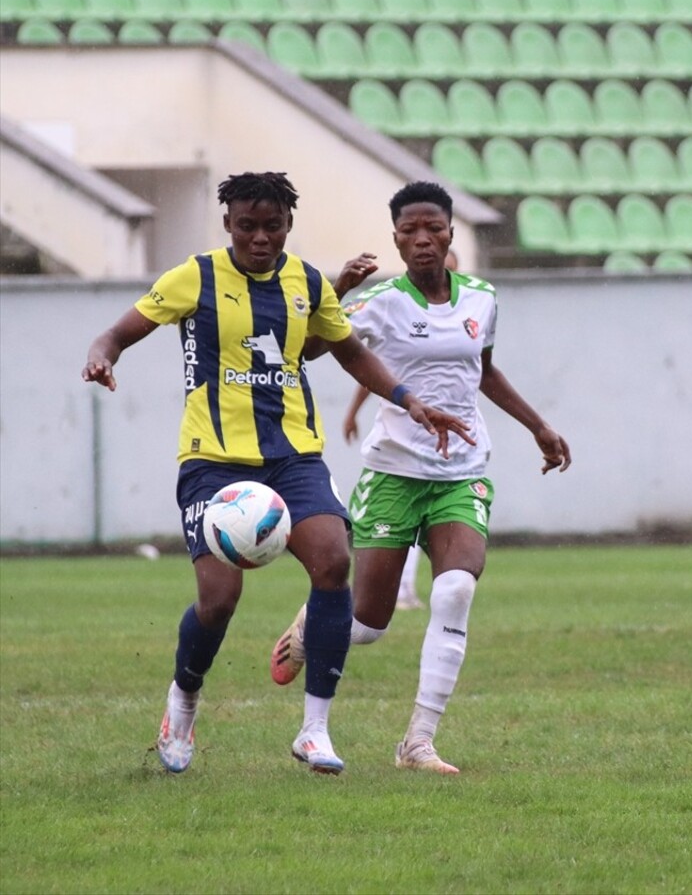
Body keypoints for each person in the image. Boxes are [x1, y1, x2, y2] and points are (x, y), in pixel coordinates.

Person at [82, 172, 473, 777]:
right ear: (228, 225)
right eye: (247, 227)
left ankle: (314, 729)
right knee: (219, 599)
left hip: (293, 456)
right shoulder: (197, 275)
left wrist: (408, 398)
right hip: (213, 459)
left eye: (271, 226)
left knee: (333, 562)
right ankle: (182, 702)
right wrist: (102, 355)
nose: (259, 238)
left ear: (288, 226)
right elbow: (121, 330)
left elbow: (350, 352)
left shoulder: (309, 282)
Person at [269, 180, 571, 774]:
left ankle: (418, 742)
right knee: (368, 625)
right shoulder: (379, 302)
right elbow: (303, 351)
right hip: (393, 473)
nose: (422, 239)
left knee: (456, 589)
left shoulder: (481, 297)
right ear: (396, 240)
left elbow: (483, 372)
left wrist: (538, 426)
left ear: (451, 232)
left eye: (433, 228)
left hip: (463, 471)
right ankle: (311, 628)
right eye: (409, 231)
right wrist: (337, 288)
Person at [340, 248, 460, 612]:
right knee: (366, 616)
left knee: (438, 536)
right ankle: (366, 598)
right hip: (400, 447)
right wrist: (352, 413)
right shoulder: (395, 309)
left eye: (450, 268)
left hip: (448, 448)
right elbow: (368, 370)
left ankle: (409, 591)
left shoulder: (462, 313)